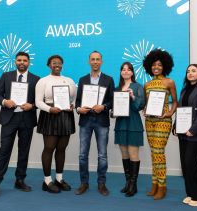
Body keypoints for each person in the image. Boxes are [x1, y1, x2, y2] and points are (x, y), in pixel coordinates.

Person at [0, 51, 40, 199]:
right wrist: (5, 102)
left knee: (24, 151)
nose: (22, 62)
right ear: (15, 62)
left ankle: (20, 180)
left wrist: (32, 105)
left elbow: (39, 100)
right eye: (19, 60)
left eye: (24, 60)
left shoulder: (36, 79)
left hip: (27, 118)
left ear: (29, 62)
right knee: (4, 150)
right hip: (9, 118)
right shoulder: (6, 76)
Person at [74, 51, 115, 196]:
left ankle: (101, 184)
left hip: (102, 120)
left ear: (102, 62)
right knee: (82, 155)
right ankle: (84, 183)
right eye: (93, 59)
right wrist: (79, 109)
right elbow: (78, 101)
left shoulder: (109, 80)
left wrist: (103, 107)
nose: (95, 62)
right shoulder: (82, 79)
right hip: (85, 120)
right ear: (89, 61)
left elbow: (112, 100)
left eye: (98, 59)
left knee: (102, 155)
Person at [35, 55, 76, 193]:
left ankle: (59, 179)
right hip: (50, 115)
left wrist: (73, 106)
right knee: (49, 148)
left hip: (66, 116)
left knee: (61, 149)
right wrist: (50, 109)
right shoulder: (43, 81)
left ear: (62, 65)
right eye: (54, 63)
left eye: (59, 63)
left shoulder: (69, 80)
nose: (57, 65)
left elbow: (75, 99)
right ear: (49, 65)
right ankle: (47, 180)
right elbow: (38, 102)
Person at [172, 64, 197, 207]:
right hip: (184, 134)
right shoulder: (184, 90)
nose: (190, 73)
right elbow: (181, 110)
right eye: (188, 71)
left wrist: (193, 129)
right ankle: (191, 193)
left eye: (194, 71)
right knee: (185, 165)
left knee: (191, 164)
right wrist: (176, 125)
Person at [143, 49, 177, 200]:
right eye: (154, 65)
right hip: (149, 121)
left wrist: (170, 112)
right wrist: (145, 109)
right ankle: (154, 184)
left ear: (165, 66)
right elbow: (147, 103)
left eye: (159, 65)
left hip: (163, 121)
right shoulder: (147, 84)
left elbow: (175, 102)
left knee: (158, 152)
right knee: (153, 153)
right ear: (149, 66)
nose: (156, 67)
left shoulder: (169, 82)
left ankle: (162, 186)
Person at [114, 62, 145, 197]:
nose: (125, 71)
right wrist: (112, 111)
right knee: (124, 155)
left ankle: (134, 184)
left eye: (128, 69)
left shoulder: (138, 87)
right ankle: (127, 182)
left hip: (133, 123)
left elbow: (139, 106)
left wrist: (132, 97)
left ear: (132, 72)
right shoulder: (117, 88)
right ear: (121, 72)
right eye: (123, 69)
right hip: (121, 124)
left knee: (133, 155)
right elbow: (113, 108)